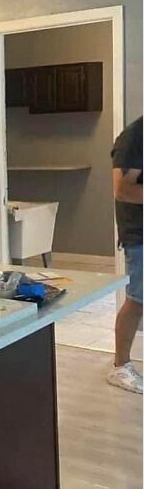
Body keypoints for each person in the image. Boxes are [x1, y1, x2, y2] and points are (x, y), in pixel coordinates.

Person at [108, 115, 143, 393]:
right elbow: (122, 189)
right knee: (137, 299)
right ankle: (120, 367)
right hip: (139, 234)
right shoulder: (134, 137)